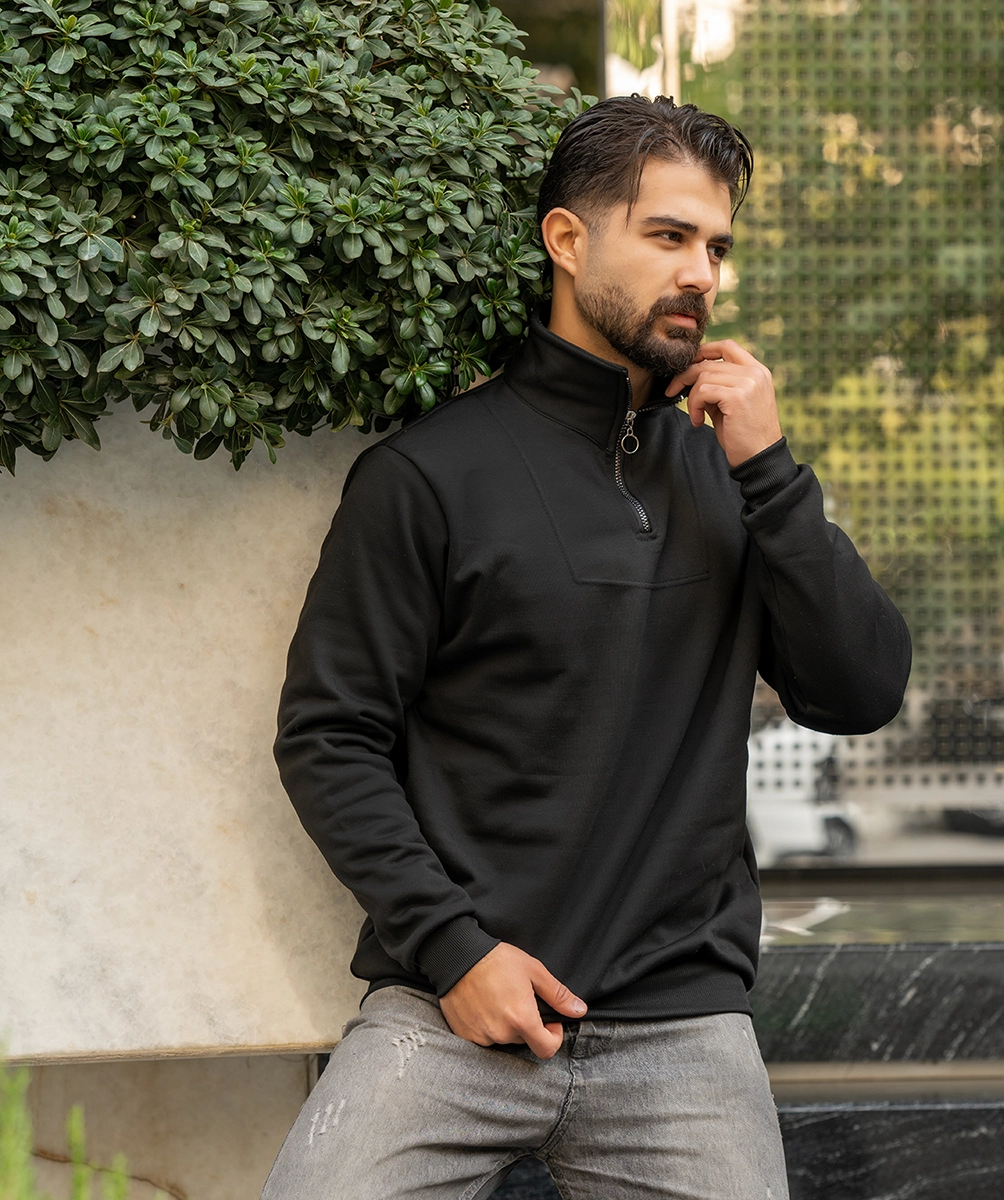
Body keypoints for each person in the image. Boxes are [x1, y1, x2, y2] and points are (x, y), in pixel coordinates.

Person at [263, 95, 911, 1199]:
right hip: (451, 1011)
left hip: (681, 1030)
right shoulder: (427, 476)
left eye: (716, 248)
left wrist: (771, 471)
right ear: (567, 240)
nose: (701, 275)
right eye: (668, 237)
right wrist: (454, 950)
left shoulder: (733, 472)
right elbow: (329, 735)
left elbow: (859, 691)